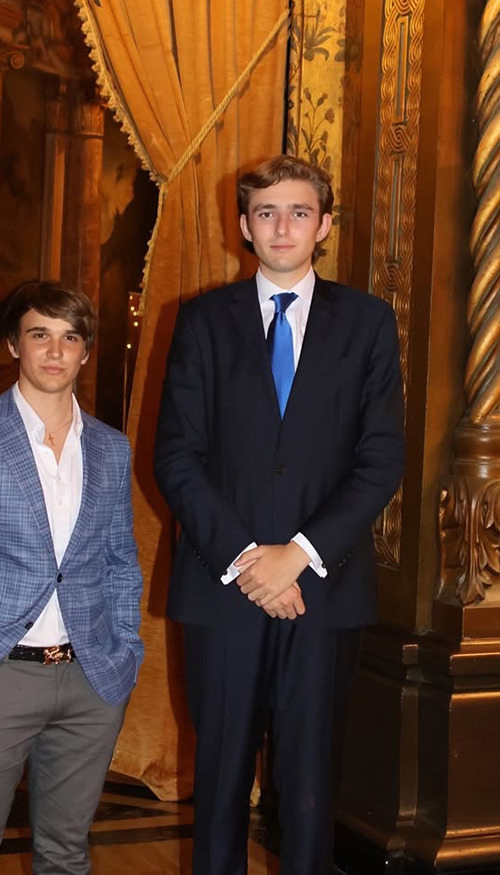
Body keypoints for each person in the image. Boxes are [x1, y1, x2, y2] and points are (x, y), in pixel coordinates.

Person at [154, 155, 405, 875]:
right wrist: (246, 560)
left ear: (324, 225)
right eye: (266, 213)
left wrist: (297, 554)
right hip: (221, 591)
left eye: (299, 212)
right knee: (219, 791)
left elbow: (381, 458)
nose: (283, 227)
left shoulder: (367, 322)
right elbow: (176, 456)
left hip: (323, 592)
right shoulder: (201, 320)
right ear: (244, 226)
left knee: (309, 794)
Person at [0, 281, 144, 875]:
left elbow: (120, 559)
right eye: (40, 335)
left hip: (91, 679)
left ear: (85, 351)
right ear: (15, 344)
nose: (55, 351)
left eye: (70, 338)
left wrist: (124, 654)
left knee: (67, 856)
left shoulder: (112, 449)